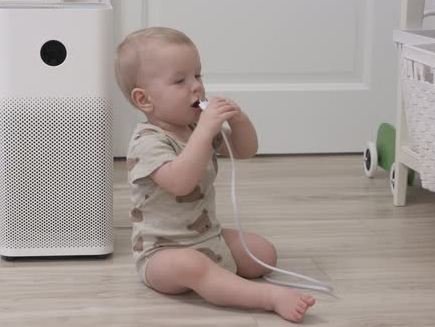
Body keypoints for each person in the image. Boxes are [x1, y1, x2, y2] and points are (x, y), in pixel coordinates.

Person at [114, 26, 316, 323]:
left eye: (198, 75)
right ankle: (269, 298)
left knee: (264, 254)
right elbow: (180, 182)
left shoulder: (196, 129)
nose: (196, 86)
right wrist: (207, 130)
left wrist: (239, 120)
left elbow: (245, 150)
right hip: (162, 254)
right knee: (194, 267)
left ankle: (221, 278)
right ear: (145, 100)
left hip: (207, 235)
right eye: (180, 80)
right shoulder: (147, 141)